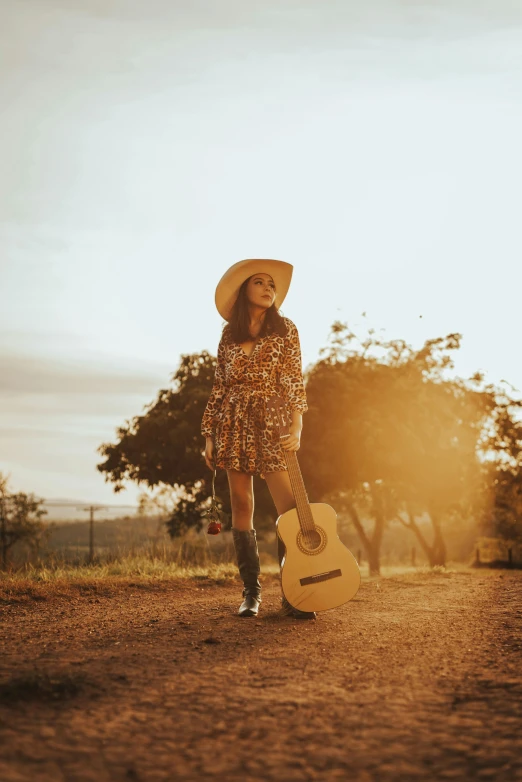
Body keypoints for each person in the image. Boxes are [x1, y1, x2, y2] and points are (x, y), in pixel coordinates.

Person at [201, 259, 315, 620]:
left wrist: (297, 426)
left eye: (272, 285)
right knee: (241, 504)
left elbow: (294, 379)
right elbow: (220, 386)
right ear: (244, 291)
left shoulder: (286, 330)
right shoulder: (228, 336)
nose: (269, 288)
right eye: (260, 283)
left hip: (273, 420)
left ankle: (294, 592)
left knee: (289, 509)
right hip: (233, 420)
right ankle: (251, 593)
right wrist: (209, 433)